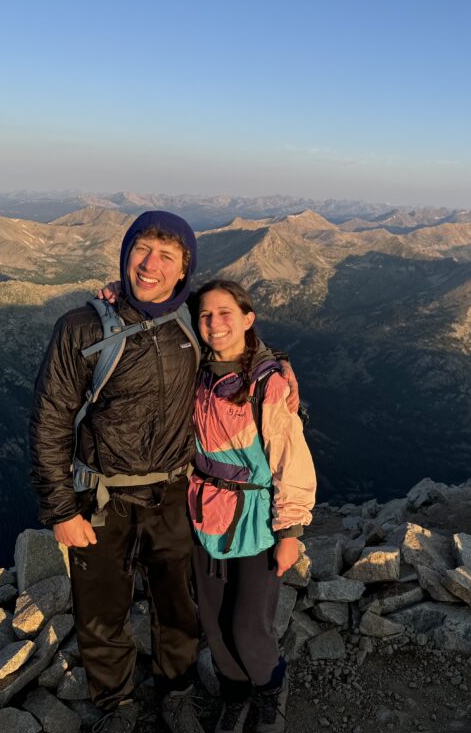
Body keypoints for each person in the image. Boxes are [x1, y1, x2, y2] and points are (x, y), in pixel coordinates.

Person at [30, 211, 236, 733]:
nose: (151, 265)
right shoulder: (81, 327)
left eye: (167, 256)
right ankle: (116, 705)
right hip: (100, 501)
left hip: (173, 493)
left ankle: (177, 693)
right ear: (125, 253)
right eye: (142, 249)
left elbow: (238, 344)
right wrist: (60, 509)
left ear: (184, 269)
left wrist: (279, 377)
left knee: (177, 606)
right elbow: (50, 420)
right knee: (101, 612)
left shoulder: (192, 319)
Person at [189, 279, 316, 733]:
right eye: (205, 315)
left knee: (248, 625)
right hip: (205, 515)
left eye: (225, 313)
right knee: (214, 623)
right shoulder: (197, 368)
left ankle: (269, 690)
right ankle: (235, 694)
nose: (214, 323)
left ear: (248, 319)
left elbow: (289, 458)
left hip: (257, 521)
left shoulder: (268, 384)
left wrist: (290, 533)